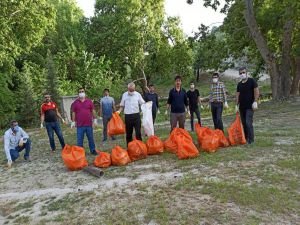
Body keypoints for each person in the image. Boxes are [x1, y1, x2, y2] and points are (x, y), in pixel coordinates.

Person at [236, 67, 259, 145]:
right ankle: (245, 138)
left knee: (248, 122)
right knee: (243, 123)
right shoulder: (239, 84)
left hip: (250, 106)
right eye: (240, 73)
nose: (242, 74)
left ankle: (251, 140)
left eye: (243, 72)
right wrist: (236, 105)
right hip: (242, 107)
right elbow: (237, 95)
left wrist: (255, 101)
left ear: (246, 73)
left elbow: (256, 91)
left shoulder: (251, 81)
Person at [71, 87, 98, 155]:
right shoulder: (75, 103)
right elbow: (73, 112)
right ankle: (80, 152)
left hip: (88, 124)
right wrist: (73, 121)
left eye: (82, 91)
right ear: (78, 93)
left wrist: (95, 119)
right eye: (80, 92)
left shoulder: (89, 101)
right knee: (79, 140)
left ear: (85, 93)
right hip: (80, 125)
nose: (81, 93)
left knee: (91, 138)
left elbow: (93, 110)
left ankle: (93, 150)